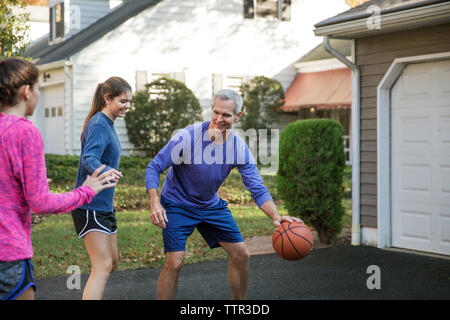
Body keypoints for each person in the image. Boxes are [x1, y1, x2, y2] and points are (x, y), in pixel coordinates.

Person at [146, 88, 301, 300]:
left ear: (238, 115)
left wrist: (275, 215)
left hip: (210, 206)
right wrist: (155, 202)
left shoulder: (238, 148)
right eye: (216, 112)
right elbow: (154, 167)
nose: (219, 119)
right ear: (211, 109)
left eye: (226, 115)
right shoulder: (187, 137)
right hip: (177, 204)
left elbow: (257, 187)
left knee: (241, 255)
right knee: (175, 262)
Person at [0, 58, 118, 300]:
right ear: (26, 92)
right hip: (8, 252)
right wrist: (87, 190)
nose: (38, 96)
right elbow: (40, 202)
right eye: (38, 90)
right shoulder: (25, 132)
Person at [71, 76, 132, 300]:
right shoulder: (98, 123)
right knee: (103, 266)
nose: (127, 106)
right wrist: (104, 171)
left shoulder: (107, 124)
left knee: (112, 262)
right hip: (90, 205)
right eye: (123, 101)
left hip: (104, 205)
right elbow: (89, 157)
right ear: (108, 98)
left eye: (129, 102)